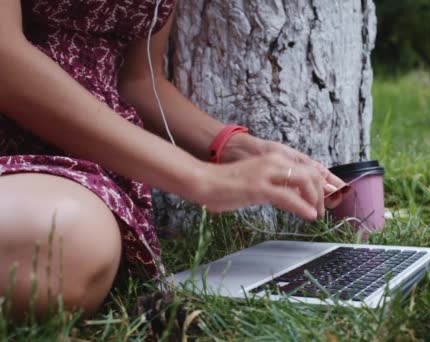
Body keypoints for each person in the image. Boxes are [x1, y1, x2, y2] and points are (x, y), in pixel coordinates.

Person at [0, 0, 347, 319]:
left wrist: (235, 147)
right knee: (60, 244)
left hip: (96, 165)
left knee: (65, 249)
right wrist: (200, 178)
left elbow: (137, 80)